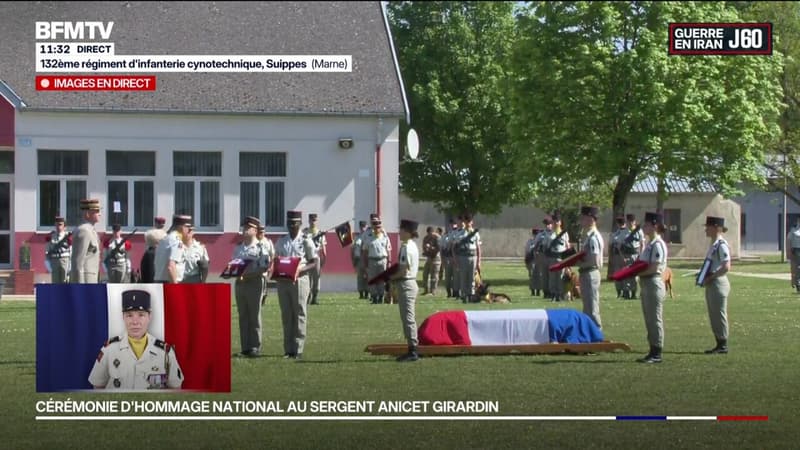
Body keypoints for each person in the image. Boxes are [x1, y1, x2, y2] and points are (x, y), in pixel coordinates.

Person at [88, 289, 183, 389]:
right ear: (123, 317)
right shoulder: (109, 349)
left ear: (149, 316)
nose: (135, 322)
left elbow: (175, 389)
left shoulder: (165, 353)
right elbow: (98, 386)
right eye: (129, 315)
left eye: (141, 315)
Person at [275, 210, 317, 360]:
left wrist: (301, 269)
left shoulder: (306, 240)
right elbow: (276, 259)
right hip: (283, 281)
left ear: (300, 224)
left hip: (300, 280)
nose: (291, 226)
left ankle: (298, 349)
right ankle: (288, 349)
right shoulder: (281, 241)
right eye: (289, 223)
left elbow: (314, 262)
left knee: (299, 313)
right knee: (286, 314)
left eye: (295, 223)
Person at [232, 216, 271, 357]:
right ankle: (245, 347)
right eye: (244, 228)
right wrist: (230, 272)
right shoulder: (238, 247)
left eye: (248, 228)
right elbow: (234, 264)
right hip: (240, 284)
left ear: (255, 230)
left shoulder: (261, 247)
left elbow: (265, 267)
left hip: (254, 283)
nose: (244, 230)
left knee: (254, 315)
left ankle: (255, 347)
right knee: (243, 315)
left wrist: (249, 274)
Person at [636, 212, 668, 364]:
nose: (644, 227)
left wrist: (637, 272)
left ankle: (657, 351)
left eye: (647, 224)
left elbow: (655, 267)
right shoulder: (649, 244)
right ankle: (652, 348)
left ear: (655, 226)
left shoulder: (657, 244)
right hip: (646, 282)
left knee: (655, 318)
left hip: (653, 282)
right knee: (648, 318)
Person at [390, 219, 421, 362]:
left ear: (408, 232)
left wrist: (390, 278)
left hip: (406, 283)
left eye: (401, 229)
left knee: (408, 318)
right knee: (408, 317)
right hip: (410, 283)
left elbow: (403, 270)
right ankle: (412, 347)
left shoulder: (405, 247)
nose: (399, 232)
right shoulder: (413, 245)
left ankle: (413, 350)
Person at [701, 216, 732, 355]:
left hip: (718, 282)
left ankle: (723, 344)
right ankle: (718, 342)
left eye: (708, 226)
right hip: (712, 282)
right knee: (713, 314)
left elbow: (726, 267)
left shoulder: (721, 244)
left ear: (716, 228)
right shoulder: (713, 244)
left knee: (719, 314)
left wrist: (712, 276)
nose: (706, 229)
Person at [577, 206, 604, 329]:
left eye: (584, 218)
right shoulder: (588, 236)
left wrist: (578, 263)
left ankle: (597, 334)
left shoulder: (593, 237)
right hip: (586, 273)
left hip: (590, 273)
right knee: (587, 308)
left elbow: (595, 260)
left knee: (592, 308)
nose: (581, 220)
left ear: (591, 219)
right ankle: (589, 335)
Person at [361, 213, 392, 304]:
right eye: (374, 224)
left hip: (383, 260)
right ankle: (374, 297)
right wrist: (365, 263)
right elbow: (365, 251)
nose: (377, 226)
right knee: (372, 280)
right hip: (372, 260)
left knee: (381, 280)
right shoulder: (369, 236)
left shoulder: (385, 237)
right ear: (372, 226)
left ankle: (381, 296)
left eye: (378, 225)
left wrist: (389, 262)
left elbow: (389, 249)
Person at [70, 199, 101, 283]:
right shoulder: (84, 231)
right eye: (97, 211)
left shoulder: (91, 230)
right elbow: (78, 262)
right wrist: (79, 287)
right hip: (85, 280)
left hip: (92, 279)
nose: (100, 214)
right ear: (87, 214)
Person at [452, 213, 481, 303]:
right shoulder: (460, 233)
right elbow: (454, 248)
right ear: (464, 222)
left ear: (472, 222)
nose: (468, 223)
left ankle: (471, 295)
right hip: (463, 257)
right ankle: (464, 296)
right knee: (463, 277)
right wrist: (455, 260)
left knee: (472, 277)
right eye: (466, 221)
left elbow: (478, 248)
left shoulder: (475, 234)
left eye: (469, 221)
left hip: (473, 257)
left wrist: (479, 261)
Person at [154, 214, 191, 283]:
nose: (189, 230)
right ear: (181, 227)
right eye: (187, 227)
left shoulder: (165, 239)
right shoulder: (176, 241)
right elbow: (171, 266)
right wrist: (175, 287)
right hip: (171, 281)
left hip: (159, 281)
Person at [546, 212, 570, 302]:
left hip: (561, 257)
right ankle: (553, 294)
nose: (556, 223)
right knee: (552, 276)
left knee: (560, 276)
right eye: (554, 221)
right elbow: (546, 246)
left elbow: (567, 246)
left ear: (560, 222)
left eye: (558, 221)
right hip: (552, 257)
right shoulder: (550, 234)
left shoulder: (564, 234)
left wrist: (568, 261)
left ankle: (560, 294)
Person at [303, 213, 326, 305]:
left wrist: (324, 259)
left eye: (314, 220)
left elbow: (323, 248)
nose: (313, 222)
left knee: (316, 278)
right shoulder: (304, 232)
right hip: (307, 258)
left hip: (316, 257)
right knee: (307, 279)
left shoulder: (320, 233)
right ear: (308, 221)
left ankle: (315, 297)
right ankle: (307, 296)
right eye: (311, 220)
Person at [621, 214, 644, 299]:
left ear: (634, 222)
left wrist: (641, 255)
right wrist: (622, 256)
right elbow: (620, 246)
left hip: (636, 254)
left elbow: (642, 244)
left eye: (632, 221)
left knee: (635, 275)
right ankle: (626, 292)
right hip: (627, 254)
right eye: (628, 221)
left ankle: (634, 293)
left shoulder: (639, 231)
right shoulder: (624, 232)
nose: (630, 223)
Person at [45, 216, 71, 284]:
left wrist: (70, 266)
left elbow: (71, 251)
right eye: (56, 224)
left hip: (65, 260)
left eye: (60, 224)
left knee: (65, 282)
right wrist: (47, 263)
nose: (58, 226)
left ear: (64, 226)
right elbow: (47, 251)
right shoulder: (50, 236)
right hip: (54, 261)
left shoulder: (68, 236)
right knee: (55, 283)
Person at [608, 216, 628, 297]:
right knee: (620, 273)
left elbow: (610, 245)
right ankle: (621, 291)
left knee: (622, 273)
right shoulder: (616, 233)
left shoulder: (625, 233)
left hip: (623, 254)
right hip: (618, 255)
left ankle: (623, 291)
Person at [257, 225, 276, 304]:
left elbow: (272, 255)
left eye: (262, 232)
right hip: (256, 266)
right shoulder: (254, 241)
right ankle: (259, 297)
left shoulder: (268, 241)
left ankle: (264, 296)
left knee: (264, 283)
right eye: (260, 231)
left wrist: (271, 266)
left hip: (265, 267)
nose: (261, 233)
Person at [537, 216, 554, 299]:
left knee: (552, 275)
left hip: (553, 256)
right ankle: (546, 292)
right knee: (544, 276)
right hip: (543, 256)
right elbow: (536, 246)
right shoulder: (541, 235)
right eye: (546, 224)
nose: (548, 226)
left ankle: (552, 292)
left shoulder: (555, 234)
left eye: (550, 224)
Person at [421, 226, 441, 296]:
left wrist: (431, 247)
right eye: (428, 233)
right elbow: (423, 246)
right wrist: (426, 249)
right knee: (425, 274)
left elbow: (439, 248)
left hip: (436, 258)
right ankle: (425, 290)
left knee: (434, 275)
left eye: (431, 233)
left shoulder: (437, 238)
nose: (430, 235)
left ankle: (433, 291)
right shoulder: (426, 238)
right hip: (429, 258)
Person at [441, 219, 459, 298]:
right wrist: (443, 261)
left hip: (456, 258)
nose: (452, 227)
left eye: (454, 226)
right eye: (451, 226)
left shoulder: (458, 234)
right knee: (448, 277)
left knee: (456, 277)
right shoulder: (445, 236)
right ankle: (449, 292)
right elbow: (442, 249)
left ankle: (456, 292)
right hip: (448, 258)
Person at [352, 220, 369, 299]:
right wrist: (353, 259)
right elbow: (353, 248)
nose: (362, 228)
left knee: (367, 276)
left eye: (364, 226)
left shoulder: (369, 236)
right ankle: (361, 293)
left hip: (367, 258)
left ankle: (367, 293)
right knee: (360, 277)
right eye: (361, 227)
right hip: (358, 259)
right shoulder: (357, 237)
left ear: (366, 226)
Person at [787, 216, 800, 292]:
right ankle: (797, 283)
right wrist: (788, 253)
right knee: (797, 268)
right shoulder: (793, 230)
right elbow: (789, 240)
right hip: (796, 250)